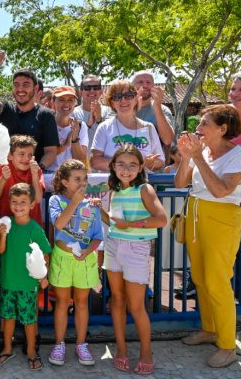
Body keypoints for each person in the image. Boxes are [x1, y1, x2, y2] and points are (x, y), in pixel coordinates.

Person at [175, 105, 241, 368]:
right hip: (195, 214)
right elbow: (180, 183)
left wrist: (198, 158)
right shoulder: (202, 152)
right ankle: (209, 329)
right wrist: (186, 157)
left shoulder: (239, 153)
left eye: (205, 123)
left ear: (222, 128)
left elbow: (220, 191)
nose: (198, 128)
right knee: (200, 278)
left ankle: (228, 345)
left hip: (221, 218)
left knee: (218, 281)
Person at [104, 144, 168, 375]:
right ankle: (121, 349)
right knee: (117, 300)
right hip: (113, 246)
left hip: (137, 248)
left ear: (140, 167)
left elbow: (161, 219)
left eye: (132, 165)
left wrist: (130, 225)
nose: (126, 169)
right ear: (113, 166)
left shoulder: (145, 189)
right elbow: (112, 222)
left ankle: (146, 353)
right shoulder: (113, 191)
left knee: (137, 306)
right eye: (121, 164)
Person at [47, 159, 103, 367]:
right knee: (62, 302)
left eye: (85, 178)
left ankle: (81, 344)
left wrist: (88, 251)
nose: (82, 183)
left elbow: (98, 236)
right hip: (62, 259)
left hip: (85, 260)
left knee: (81, 302)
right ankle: (59, 344)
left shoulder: (92, 204)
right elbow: (59, 224)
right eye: (77, 179)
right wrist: (75, 202)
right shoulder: (55, 200)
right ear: (65, 181)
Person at [0, 183, 52, 371]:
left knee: (29, 319)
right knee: (8, 317)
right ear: (9, 203)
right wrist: (2, 235)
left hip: (28, 284)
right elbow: (0, 250)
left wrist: (44, 276)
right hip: (8, 281)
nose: (18, 206)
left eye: (23, 202)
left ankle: (32, 351)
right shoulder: (6, 224)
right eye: (15, 202)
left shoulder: (34, 228)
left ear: (32, 204)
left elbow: (45, 253)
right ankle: (7, 348)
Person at [0, 53, 59, 169]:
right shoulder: (6, 110)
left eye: (26, 85)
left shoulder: (46, 115)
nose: (20, 89)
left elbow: (51, 151)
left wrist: (37, 170)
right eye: (16, 85)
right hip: (4, 177)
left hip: (32, 180)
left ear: (35, 88)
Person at [90, 80, 165, 173]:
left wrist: (150, 163)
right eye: (117, 97)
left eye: (128, 95)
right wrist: (130, 166)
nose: (123, 100)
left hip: (141, 185)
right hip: (112, 185)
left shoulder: (149, 127)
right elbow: (95, 161)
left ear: (135, 99)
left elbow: (160, 161)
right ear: (112, 102)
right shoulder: (104, 127)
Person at [0, 135, 45, 225]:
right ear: (10, 156)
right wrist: (3, 178)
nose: (26, 158)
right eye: (21, 154)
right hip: (8, 226)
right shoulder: (4, 167)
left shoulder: (36, 170)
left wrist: (35, 175)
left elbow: (38, 199)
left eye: (30, 155)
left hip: (32, 225)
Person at [47, 86, 89, 173]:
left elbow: (80, 160)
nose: (66, 104)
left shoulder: (80, 126)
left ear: (75, 103)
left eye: (70, 100)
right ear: (53, 102)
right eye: (61, 100)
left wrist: (74, 139)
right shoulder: (45, 124)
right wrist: (65, 146)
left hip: (70, 177)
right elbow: (42, 156)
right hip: (48, 176)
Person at [72, 74, 114, 156]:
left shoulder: (111, 111)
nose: (92, 91)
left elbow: (113, 139)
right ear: (81, 92)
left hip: (102, 166)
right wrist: (87, 126)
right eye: (87, 88)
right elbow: (70, 142)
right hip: (81, 166)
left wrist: (99, 121)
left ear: (101, 92)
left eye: (96, 88)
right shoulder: (72, 113)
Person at [132, 71, 175, 146]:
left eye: (148, 82)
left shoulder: (163, 109)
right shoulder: (122, 108)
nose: (145, 85)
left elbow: (167, 140)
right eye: (140, 82)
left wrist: (157, 106)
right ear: (132, 86)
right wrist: (133, 107)